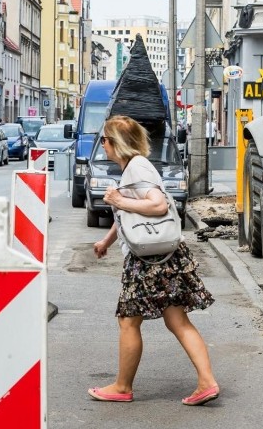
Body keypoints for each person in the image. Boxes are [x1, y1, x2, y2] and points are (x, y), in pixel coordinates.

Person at [90, 115, 218, 405]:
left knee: (127, 321)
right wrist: (106, 241)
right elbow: (133, 214)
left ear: (117, 143)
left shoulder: (136, 168)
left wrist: (117, 200)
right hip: (165, 256)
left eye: (106, 140)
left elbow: (157, 204)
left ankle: (122, 387)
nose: (104, 146)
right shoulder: (135, 167)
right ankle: (207, 382)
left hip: (149, 261)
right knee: (177, 321)